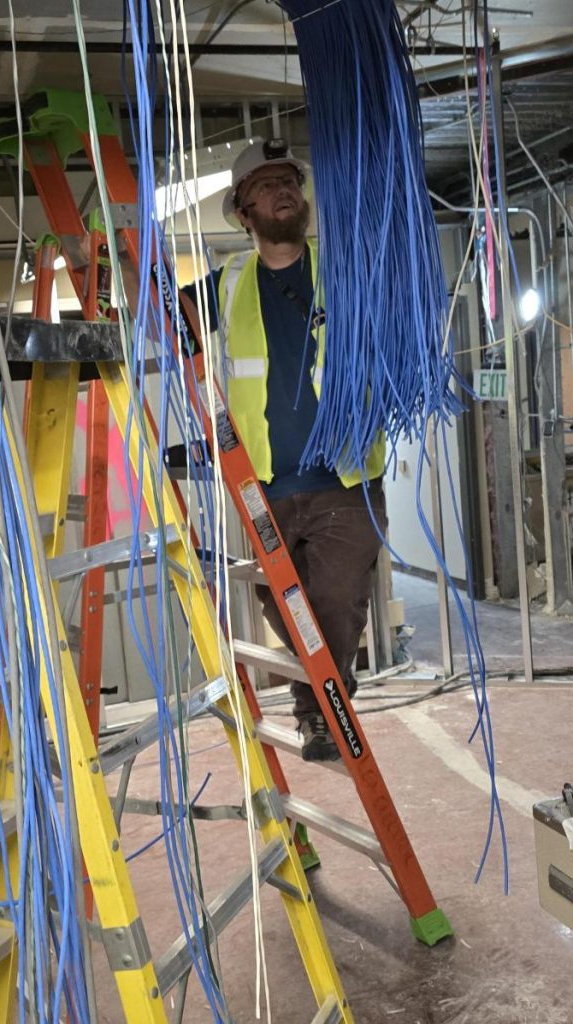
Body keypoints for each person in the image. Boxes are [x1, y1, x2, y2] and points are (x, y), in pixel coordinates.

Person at [183, 138, 387, 761]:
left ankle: (320, 712)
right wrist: (115, 263)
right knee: (284, 601)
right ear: (244, 213)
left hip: (343, 479)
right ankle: (323, 707)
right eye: (265, 186)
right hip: (266, 484)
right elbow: (157, 311)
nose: (281, 193)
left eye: (288, 182)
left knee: (336, 603)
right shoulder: (231, 283)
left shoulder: (346, 268)